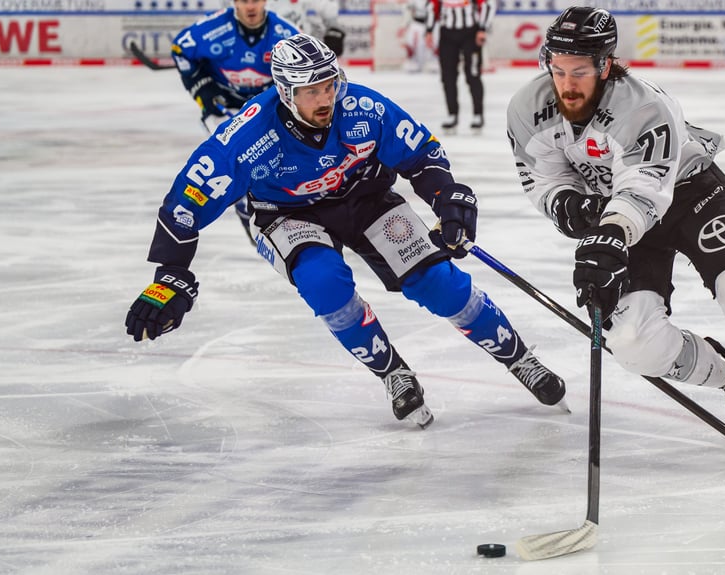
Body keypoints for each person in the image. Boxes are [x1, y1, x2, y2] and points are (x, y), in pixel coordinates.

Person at [126, 34, 567, 429]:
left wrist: (447, 198)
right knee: (324, 283)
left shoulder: (363, 106)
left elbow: (422, 156)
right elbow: (187, 200)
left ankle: (521, 359)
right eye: (310, 91)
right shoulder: (247, 136)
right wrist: (170, 273)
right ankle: (393, 373)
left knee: (438, 283)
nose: (325, 98)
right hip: (287, 215)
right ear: (284, 92)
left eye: (329, 85)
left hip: (366, 199)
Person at [505, 7, 725, 462]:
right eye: (557, 69)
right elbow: (543, 177)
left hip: (687, 192)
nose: (566, 83)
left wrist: (608, 235)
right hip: (617, 211)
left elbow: (643, 189)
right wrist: (567, 206)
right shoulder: (528, 108)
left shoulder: (644, 106)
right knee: (634, 342)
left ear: (604, 64)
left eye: (578, 70)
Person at [170, 0, 300, 243]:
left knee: (278, 165)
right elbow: (180, 50)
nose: (250, 6)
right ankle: (250, 212)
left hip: (266, 107)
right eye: (244, 0)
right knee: (235, 163)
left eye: (256, 0)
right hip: (224, 106)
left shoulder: (286, 34)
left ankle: (276, 213)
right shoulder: (213, 29)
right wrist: (204, 90)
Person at [424, 0, 494, 132]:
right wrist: (429, 30)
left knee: (473, 74)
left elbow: (486, 5)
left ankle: (478, 114)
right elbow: (432, 6)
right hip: (447, 34)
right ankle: (452, 114)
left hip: (470, 33)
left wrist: (482, 29)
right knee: (448, 77)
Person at [267, 0, 346, 57]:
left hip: (302, 47)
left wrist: (334, 29)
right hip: (274, 47)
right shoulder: (266, 4)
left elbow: (327, 8)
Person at [401, 0, 436, 74]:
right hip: (417, 23)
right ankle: (413, 61)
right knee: (413, 42)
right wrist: (405, 24)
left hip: (432, 24)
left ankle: (433, 60)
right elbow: (408, 9)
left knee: (433, 43)